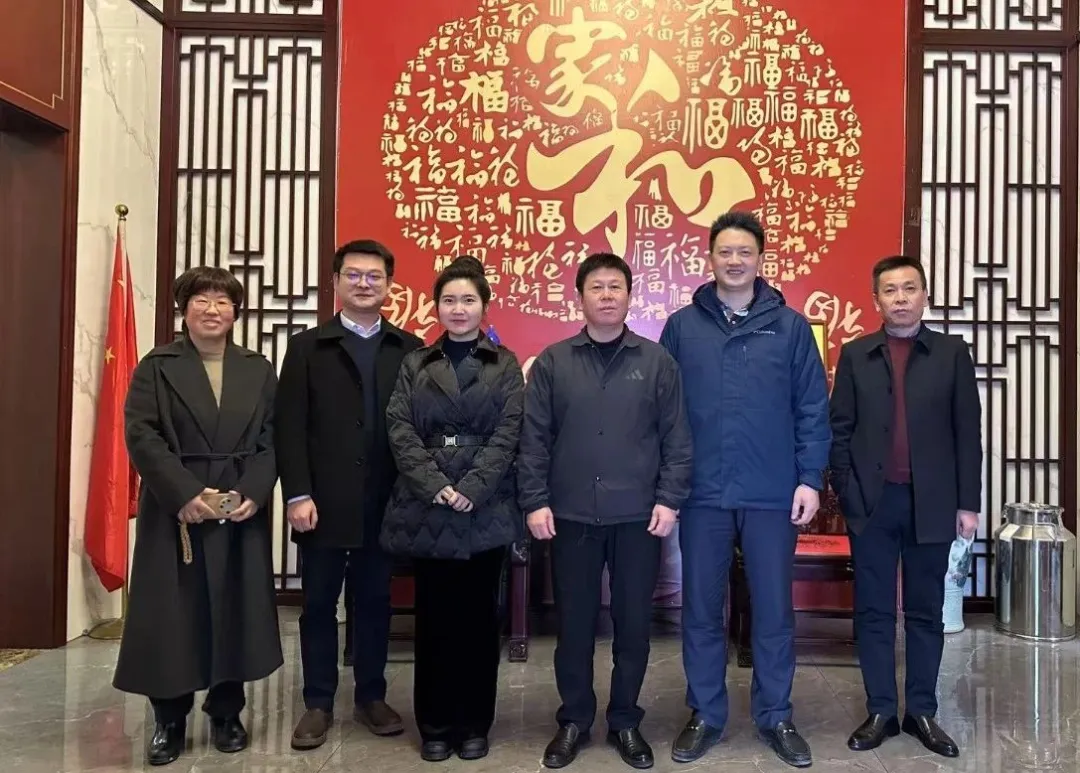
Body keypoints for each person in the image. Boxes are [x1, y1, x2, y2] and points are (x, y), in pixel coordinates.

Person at [659, 211, 830, 769]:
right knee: (701, 610)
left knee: (774, 609)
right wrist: (668, 485)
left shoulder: (791, 328)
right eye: (725, 252)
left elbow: (812, 409)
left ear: (760, 259)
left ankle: (776, 714)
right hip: (702, 492)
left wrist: (809, 479)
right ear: (710, 258)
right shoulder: (683, 327)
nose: (735, 261)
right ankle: (706, 714)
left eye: (745, 252)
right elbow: (663, 413)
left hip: (771, 490)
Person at [519, 253, 693, 770]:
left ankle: (625, 721)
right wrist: (535, 500)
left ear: (629, 295)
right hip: (570, 514)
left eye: (616, 286)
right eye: (596, 287)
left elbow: (678, 438)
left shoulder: (656, 362)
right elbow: (533, 439)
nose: (607, 295)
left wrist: (670, 498)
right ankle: (573, 719)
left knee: (633, 625)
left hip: (638, 516)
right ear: (580, 297)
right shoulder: (553, 362)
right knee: (573, 625)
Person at [113, 266, 283, 767]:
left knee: (234, 608)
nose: (212, 309)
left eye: (223, 301)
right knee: (172, 614)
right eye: (201, 300)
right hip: (176, 511)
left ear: (236, 311)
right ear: (183, 309)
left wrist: (254, 490)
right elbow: (141, 433)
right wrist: (183, 492)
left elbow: (274, 436)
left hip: (237, 505)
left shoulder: (258, 368)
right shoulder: (157, 366)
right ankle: (169, 719)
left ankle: (226, 712)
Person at [829, 255, 980, 758]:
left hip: (932, 502)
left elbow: (968, 432)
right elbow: (840, 429)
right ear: (876, 300)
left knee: (924, 610)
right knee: (872, 609)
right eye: (890, 290)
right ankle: (880, 710)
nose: (900, 298)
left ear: (924, 296)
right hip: (872, 503)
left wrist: (968, 502)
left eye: (909, 288)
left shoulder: (951, 353)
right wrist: (848, 492)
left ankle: (921, 711)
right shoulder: (857, 354)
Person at [275, 240, 422, 750]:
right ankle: (317, 702)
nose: (364, 283)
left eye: (374, 276)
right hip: (322, 503)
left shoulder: (408, 349)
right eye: (354, 275)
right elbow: (289, 427)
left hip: (385, 503)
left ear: (389, 285)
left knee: (376, 602)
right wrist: (297, 494)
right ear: (336, 281)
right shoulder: (307, 347)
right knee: (318, 604)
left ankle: (371, 696)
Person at [380, 255, 524, 762]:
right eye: (449, 300)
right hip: (430, 507)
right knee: (434, 621)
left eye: (468, 300)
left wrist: (474, 487)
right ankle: (436, 726)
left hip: (485, 507)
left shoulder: (504, 364)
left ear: (484, 306)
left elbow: (509, 431)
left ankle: (475, 724)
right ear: (436, 307)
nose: (458, 309)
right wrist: (437, 485)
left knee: (480, 623)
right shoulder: (416, 363)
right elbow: (399, 428)